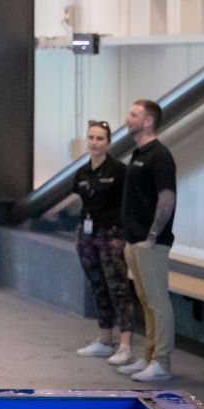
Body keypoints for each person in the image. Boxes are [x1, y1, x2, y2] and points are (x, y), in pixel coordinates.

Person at [117, 99, 177, 383]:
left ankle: (162, 362)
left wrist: (152, 236)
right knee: (146, 301)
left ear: (148, 121)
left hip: (150, 243)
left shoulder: (159, 155)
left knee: (157, 302)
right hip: (135, 241)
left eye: (133, 114)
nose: (127, 118)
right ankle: (150, 355)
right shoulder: (138, 153)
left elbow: (167, 198)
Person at [70, 120, 135, 367]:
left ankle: (126, 344)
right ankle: (105, 339)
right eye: (91, 138)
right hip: (87, 233)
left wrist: (123, 234)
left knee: (118, 286)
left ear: (108, 143)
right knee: (98, 285)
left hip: (111, 234)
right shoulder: (82, 172)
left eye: (100, 139)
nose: (95, 143)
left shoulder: (119, 171)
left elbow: (128, 203)